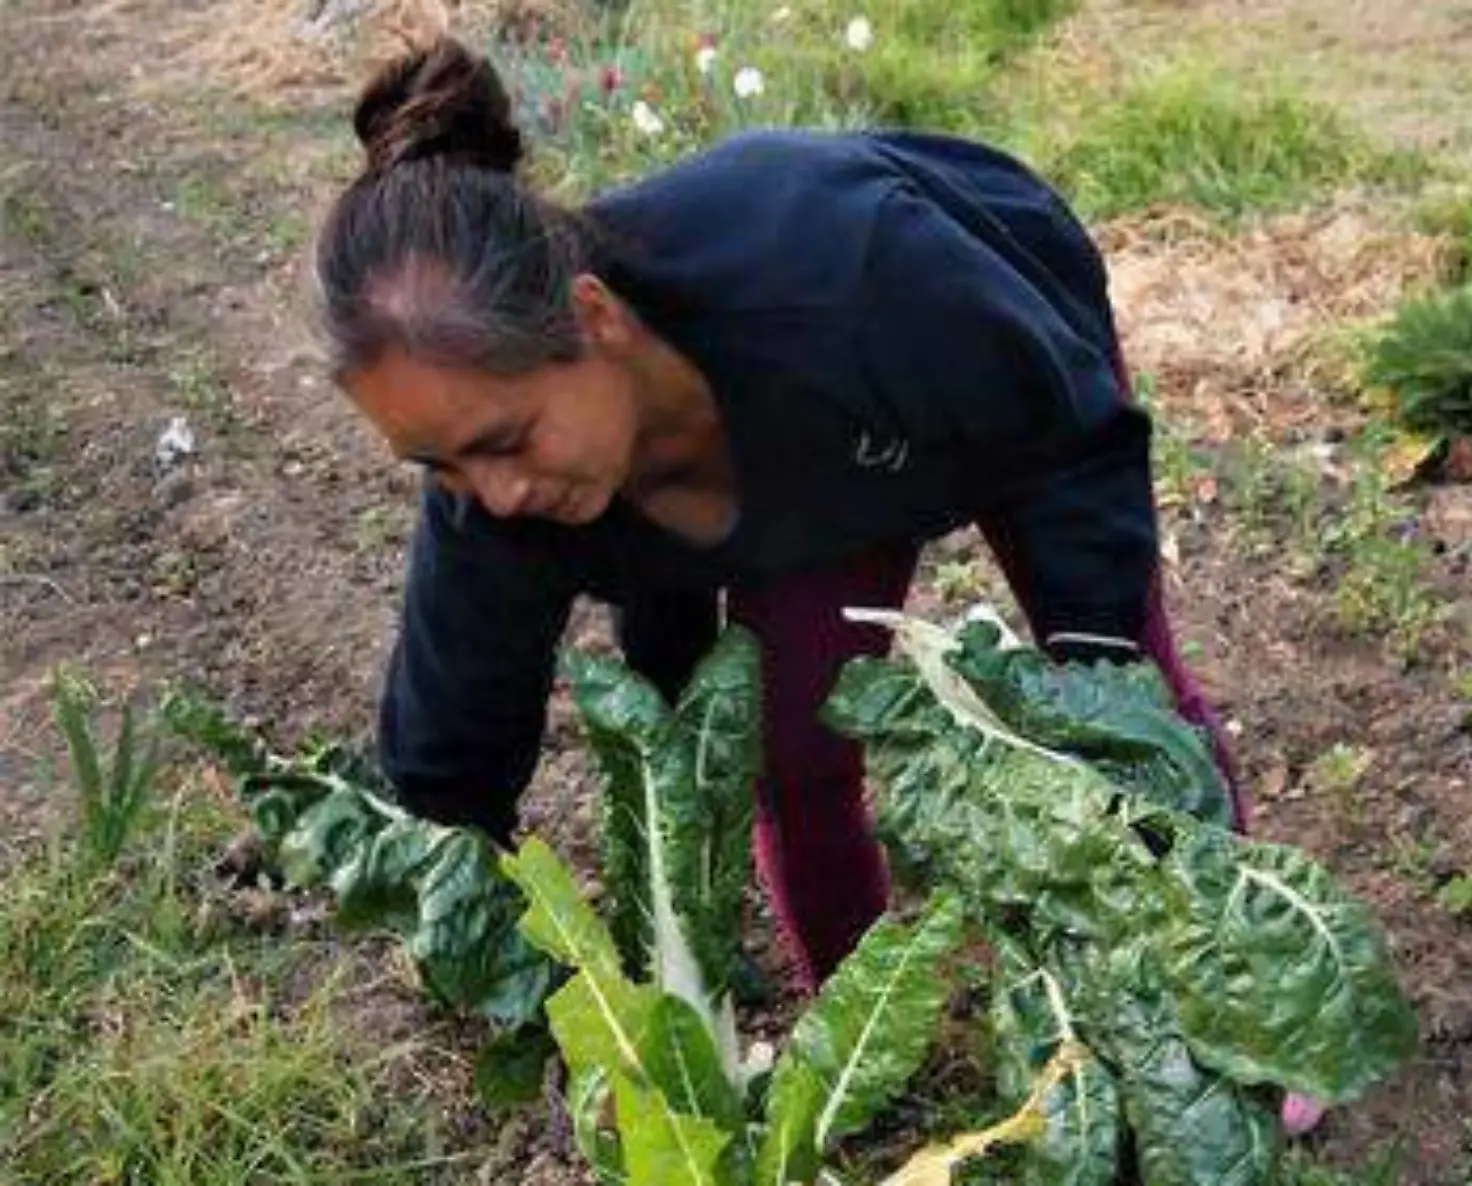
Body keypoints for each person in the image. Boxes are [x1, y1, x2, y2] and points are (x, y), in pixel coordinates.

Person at [314, 35, 1252, 993]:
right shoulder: (491, 496)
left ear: (594, 320)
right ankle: (866, 1015)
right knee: (792, 760)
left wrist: (1099, 667)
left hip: (998, 363)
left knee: (1117, 692)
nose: (497, 492)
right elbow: (448, 771)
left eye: (509, 440)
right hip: (810, 468)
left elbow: (1071, 437)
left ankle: (1236, 984)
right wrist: (474, 925)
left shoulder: (856, 274)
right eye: (440, 465)